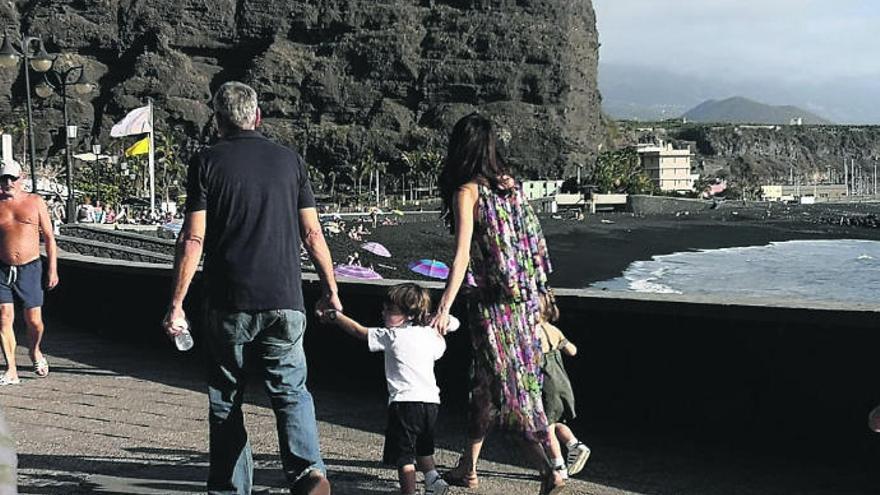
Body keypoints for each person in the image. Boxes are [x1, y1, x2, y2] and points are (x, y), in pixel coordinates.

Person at [163, 81, 339, 495]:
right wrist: (330, 288)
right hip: (286, 300)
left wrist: (176, 303)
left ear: (219, 121)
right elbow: (312, 234)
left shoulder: (206, 162)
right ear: (257, 116)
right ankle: (309, 473)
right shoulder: (290, 161)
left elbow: (193, 238)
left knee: (227, 398)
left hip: (230, 301)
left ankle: (230, 489)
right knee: (292, 392)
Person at [430, 113, 563, 494]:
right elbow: (532, 245)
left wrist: (443, 309)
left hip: (492, 309)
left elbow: (461, 259)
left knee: (510, 393)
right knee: (487, 387)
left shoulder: (467, 192)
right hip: (524, 303)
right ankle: (468, 467)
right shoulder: (510, 187)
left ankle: (548, 469)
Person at [321, 283, 458, 495]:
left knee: (404, 456)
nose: (383, 313)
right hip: (431, 403)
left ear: (409, 314)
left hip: (404, 403)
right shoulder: (432, 337)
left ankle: (409, 492)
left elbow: (359, 331)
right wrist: (442, 320)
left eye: (390, 310)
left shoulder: (391, 336)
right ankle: (433, 480)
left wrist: (335, 317)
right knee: (423, 446)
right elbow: (451, 327)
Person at [0, 160, 58, 385]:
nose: (8, 183)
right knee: (4, 317)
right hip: (2, 268)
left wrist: (52, 268)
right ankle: (11, 369)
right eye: (3, 178)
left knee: (34, 321)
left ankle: (35, 351)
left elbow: (50, 238)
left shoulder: (35, 202)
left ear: (20, 178)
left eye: (12, 178)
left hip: (30, 267)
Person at [536, 291, 590, 479]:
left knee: (546, 428)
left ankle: (558, 466)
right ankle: (575, 445)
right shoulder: (553, 330)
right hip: (562, 383)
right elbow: (572, 351)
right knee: (558, 422)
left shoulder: (534, 333)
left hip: (546, 386)